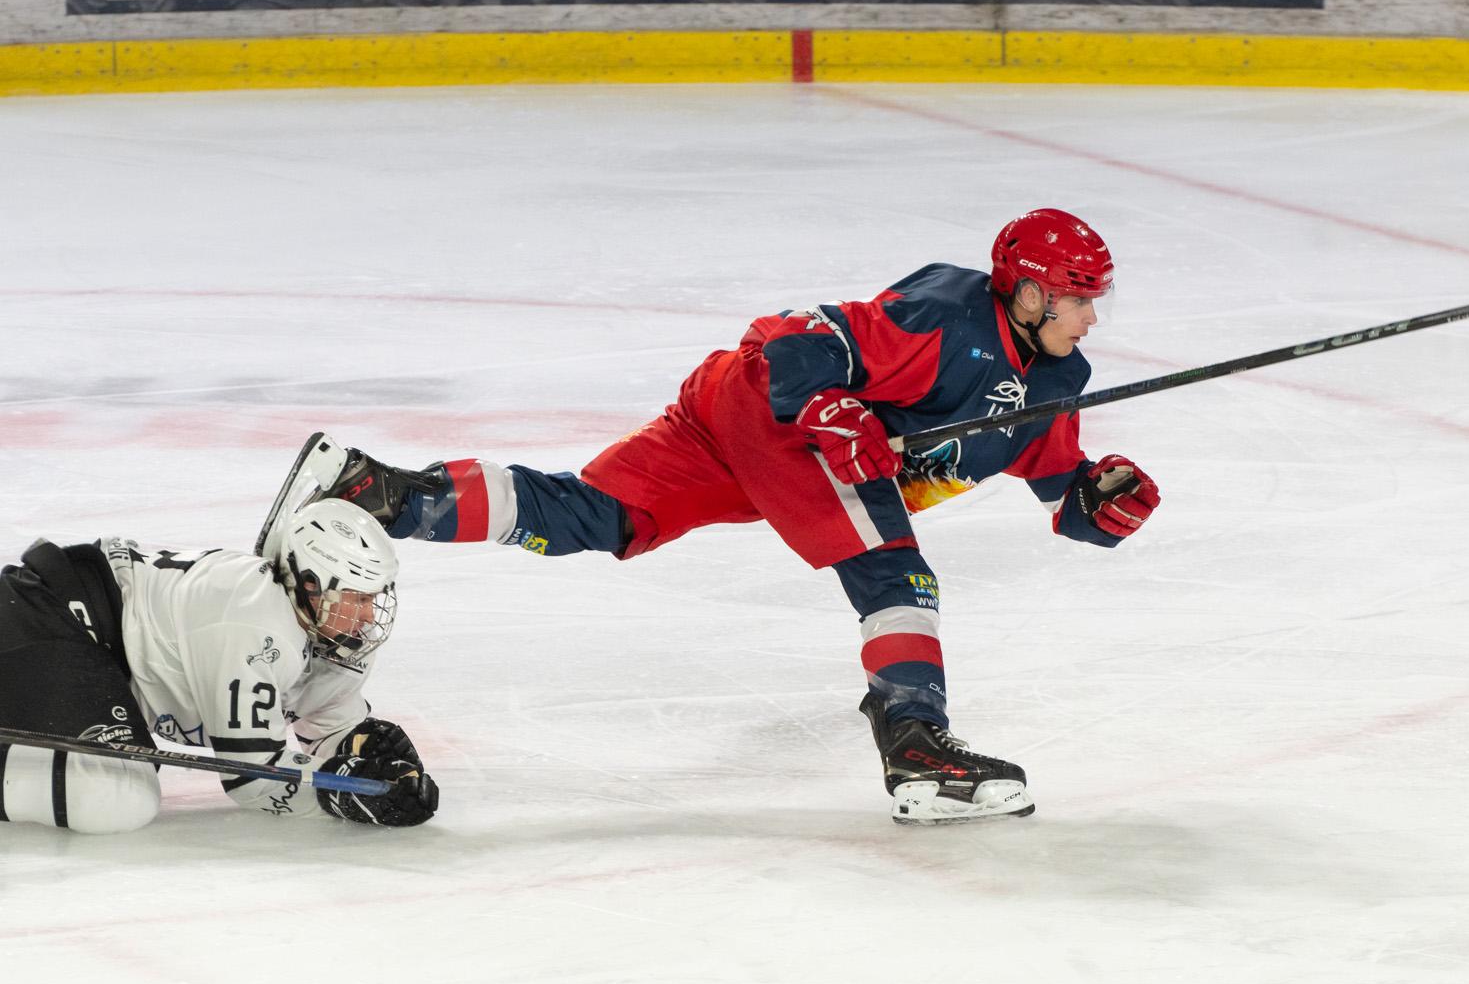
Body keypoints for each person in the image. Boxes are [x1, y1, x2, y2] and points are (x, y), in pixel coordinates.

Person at [265, 209, 1159, 824]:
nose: (1090, 313)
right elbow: (792, 337)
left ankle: (380, 491)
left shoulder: (1055, 382)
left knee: (603, 515)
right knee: (891, 570)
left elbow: (1062, 488)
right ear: (1029, 292)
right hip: (773, 417)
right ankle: (916, 739)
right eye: (1077, 294)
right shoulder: (943, 314)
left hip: (735, 419)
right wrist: (830, 409)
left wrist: (1100, 496)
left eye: (1093, 296)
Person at [0, 499, 439, 833]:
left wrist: (358, 747)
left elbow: (326, 724)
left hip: (80, 648)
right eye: (358, 597)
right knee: (116, 792)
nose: (368, 615)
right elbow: (253, 777)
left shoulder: (326, 630)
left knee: (118, 777)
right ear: (310, 583)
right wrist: (337, 793)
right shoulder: (254, 622)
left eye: (375, 597)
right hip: (45, 620)